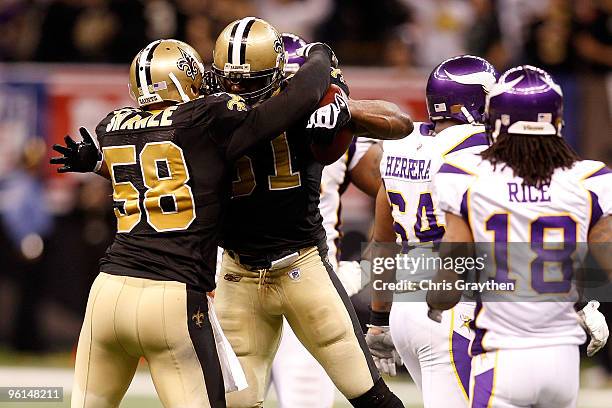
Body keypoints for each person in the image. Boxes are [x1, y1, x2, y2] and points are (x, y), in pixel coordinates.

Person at [50, 36, 337, 408]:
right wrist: (320, 57)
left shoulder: (112, 125)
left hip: (108, 291)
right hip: (171, 294)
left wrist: (98, 164)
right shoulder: (207, 119)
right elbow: (297, 100)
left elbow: (163, 180)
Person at [211, 17, 411, 408]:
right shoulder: (214, 119)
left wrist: (343, 109)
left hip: (303, 270)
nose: (241, 88)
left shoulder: (211, 120)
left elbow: (393, 162)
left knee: (317, 396)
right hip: (242, 272)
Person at [427, 65, 610, 408]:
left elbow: (450, 277)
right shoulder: (591, 179)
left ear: (494, 123)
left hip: (502, 355)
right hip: (563, 360)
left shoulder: (466, 176)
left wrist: (435, 302)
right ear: (556, 122)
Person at [367, 55, 498, 408]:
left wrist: (379, 317)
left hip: (406, 308)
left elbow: (382, 239)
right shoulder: (479, 151)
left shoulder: (402, 143)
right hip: (450, 303)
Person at [269, 33, 385, 408]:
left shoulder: (336, 130)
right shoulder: (228, 123)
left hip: (307, 282)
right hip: (241, 284)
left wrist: (367, 267)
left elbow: (396, 192)